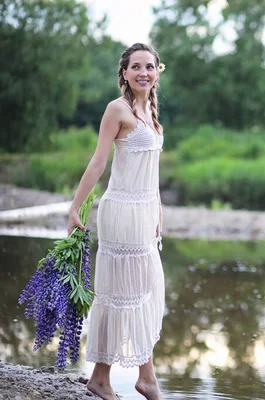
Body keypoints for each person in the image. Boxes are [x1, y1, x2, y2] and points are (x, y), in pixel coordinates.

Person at [68, 43, 166, 400]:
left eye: (150, 67)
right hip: (121, 212)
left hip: (144, 213)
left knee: (138, 291)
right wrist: (75, 207)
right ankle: (146, 376)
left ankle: (101, 378)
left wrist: (158, 209)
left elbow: (151, 173)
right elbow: (98, 162)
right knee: (128, 292)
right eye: (136, 66)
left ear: (158, 72)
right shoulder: (117, 109)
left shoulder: (151, 115)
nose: (143, 72)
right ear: (124, 72)